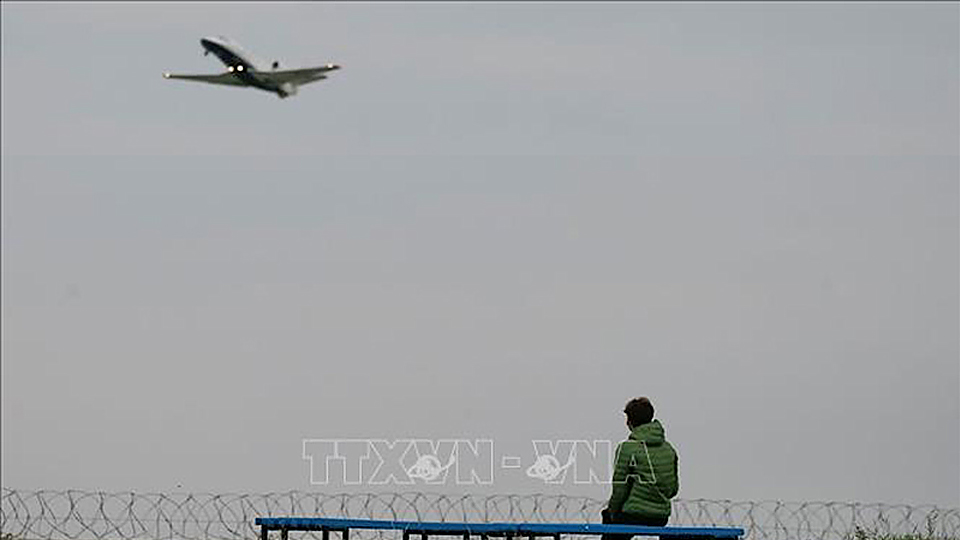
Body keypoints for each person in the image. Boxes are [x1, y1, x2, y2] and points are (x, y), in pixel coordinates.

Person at [601, 397, 679, 540]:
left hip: (632, 515)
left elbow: (620, 489)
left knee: (608, 519)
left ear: (629, 421)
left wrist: (612, 511)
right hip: (661, 517)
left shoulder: (627, 448)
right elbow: (673, 489)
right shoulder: (669, 450)